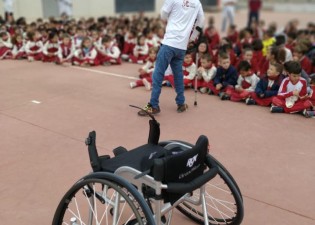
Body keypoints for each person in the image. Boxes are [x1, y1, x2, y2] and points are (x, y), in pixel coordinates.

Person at [137, 0, 205, 116]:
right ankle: (181, 103)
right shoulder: (197, 2)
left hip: (169, 42)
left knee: (158, 74)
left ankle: (153, 105)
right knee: (178, 74)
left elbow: (163, 14)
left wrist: (171, 17)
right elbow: (201, 22)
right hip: (182, 46)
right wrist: (192, 38)